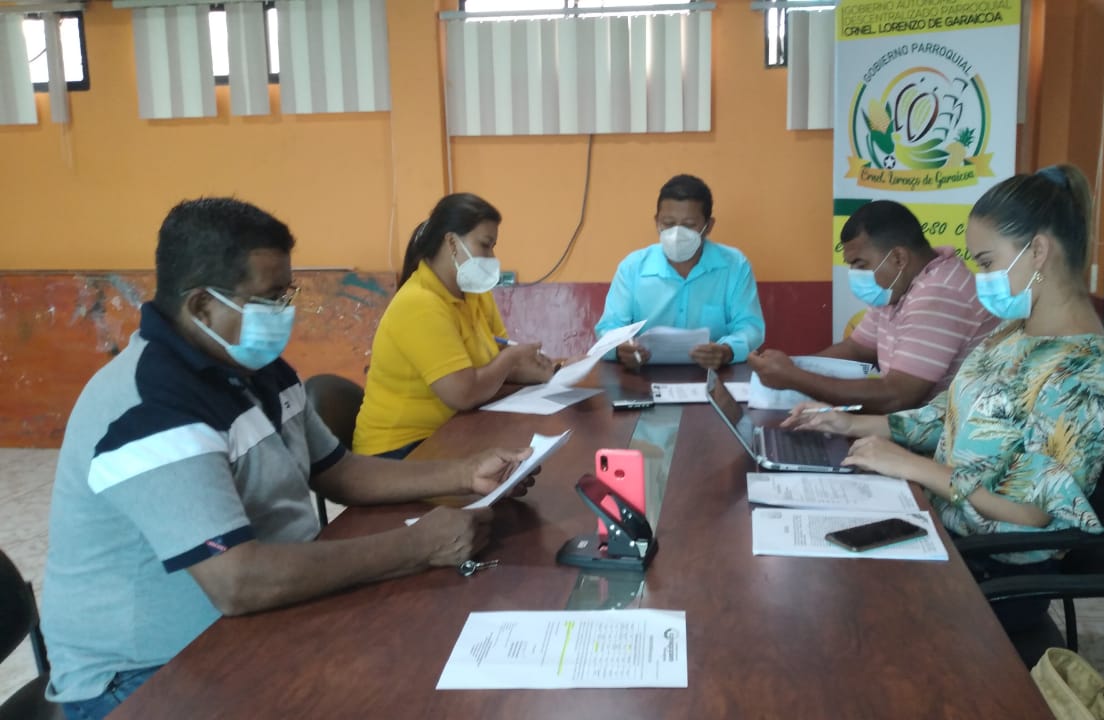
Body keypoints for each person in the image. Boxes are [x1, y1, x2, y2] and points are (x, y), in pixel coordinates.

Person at [41, 198, 534, 719]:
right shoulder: (149, 406)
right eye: (269, 299)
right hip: (145, 677)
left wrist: (464, 473)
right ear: (202, 307)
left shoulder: (257, 368)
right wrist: (417, 545)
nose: (284, 313)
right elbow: (238, 581)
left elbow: (339, 470)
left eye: (287, 294)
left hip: (257, 618)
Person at [784, 165, 1104, 625]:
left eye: (986, 262)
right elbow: (944, 418)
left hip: (993, 566)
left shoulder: (1084, 371)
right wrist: (848, 421)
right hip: (943, 530)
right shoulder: (1011, 335)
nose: (979, 277)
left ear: (1038, 251)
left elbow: (1031, 511)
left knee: (839, 612)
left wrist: (913, 467)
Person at [354, 193, 557, 458]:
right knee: (510, 464)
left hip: (453, 430)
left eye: (493, 246)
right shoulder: (419, 303)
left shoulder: (474, 294)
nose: (492, 256)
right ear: (451, 242)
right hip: (401, 450)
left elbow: (496, 364)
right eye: (485, 245)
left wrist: (554, 370)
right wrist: (511, 358)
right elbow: (463, 393)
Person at [748, 200, 998, 414]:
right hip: (912, 426)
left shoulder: (939, 293)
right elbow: (856, 348)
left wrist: (794, 378)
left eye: (860, 264)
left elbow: (897, 396)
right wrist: (792, 366)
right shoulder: (898, 287)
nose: (854, 274)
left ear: (898, 258)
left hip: (943, 439)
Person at [596, 174, 765, 370]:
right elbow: (609, 328)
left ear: (708, 226)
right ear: (656, 221)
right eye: (668, 223)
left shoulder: (735, 265)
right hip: (642, 376)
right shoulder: (632, 267)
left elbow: (750, 327)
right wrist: (620, 349)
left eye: (689, 225)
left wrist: (727, 351)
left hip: (714, 374)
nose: (676, 233)